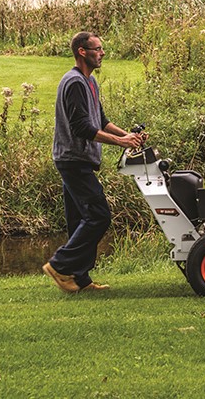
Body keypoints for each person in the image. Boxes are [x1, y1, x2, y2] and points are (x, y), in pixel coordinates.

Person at [43, 31, 144, 293]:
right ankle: (59, 264)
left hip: (79, 159)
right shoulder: (74, 82)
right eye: (97, 49)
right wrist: (120, 143)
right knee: (98, 215)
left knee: (79, 220)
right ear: (82, 51)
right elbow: (81, 128)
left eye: (102, 49)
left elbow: (100, 120)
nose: (102, 53)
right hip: (72, 159)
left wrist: (127, 135)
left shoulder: (90, 82)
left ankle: (79, 279)